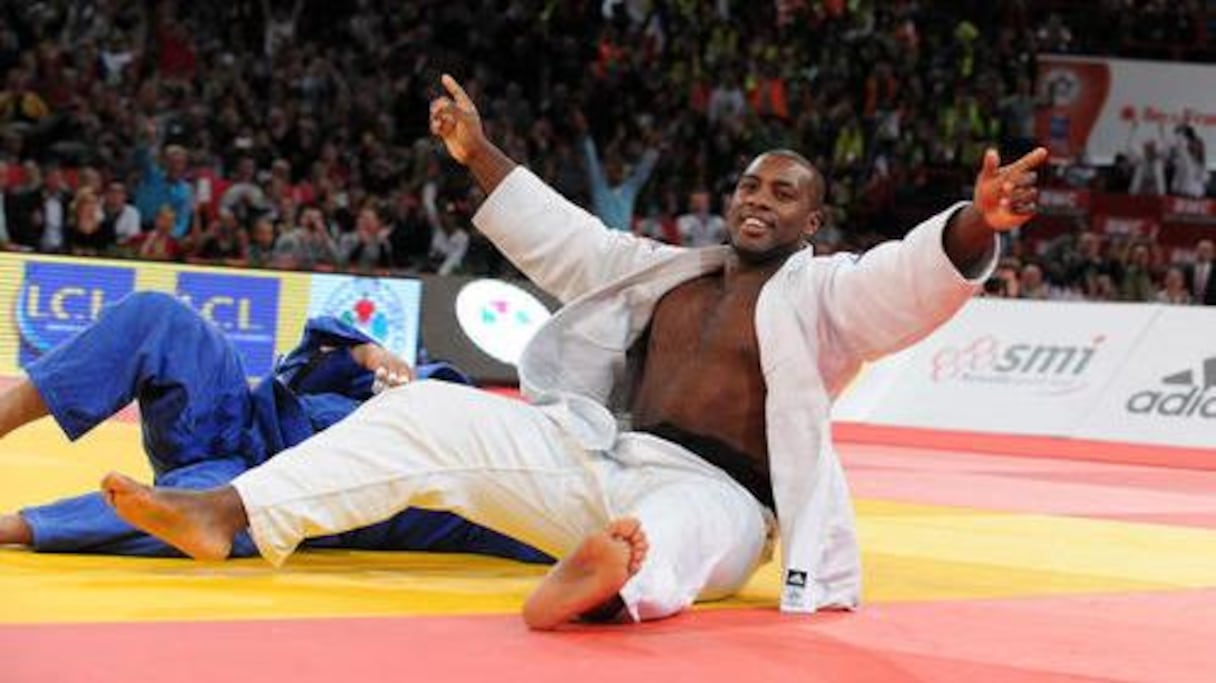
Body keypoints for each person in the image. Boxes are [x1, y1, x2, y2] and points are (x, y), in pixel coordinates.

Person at [104, 75, 1046, 630]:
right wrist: (476, 152)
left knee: (674, 531)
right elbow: (559, 236)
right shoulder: (666, 269)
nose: (760, 198)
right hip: (598, 455)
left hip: (722, 497)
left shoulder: (827, 294)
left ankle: (606, 584)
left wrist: (974, 223)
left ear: (814, 218)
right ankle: (227, 510)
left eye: (785, 192)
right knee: (422, 410)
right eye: (751, 184)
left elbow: (906, 281)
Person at [0, 290, 548, 564]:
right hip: (238, 414)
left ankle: (13, 527)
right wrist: (364, 351)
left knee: (179, 511)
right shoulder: (439, 393)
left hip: (269, 492)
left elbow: (565, 530)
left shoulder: (497, 500)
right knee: (158, 316)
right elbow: (307, 362)